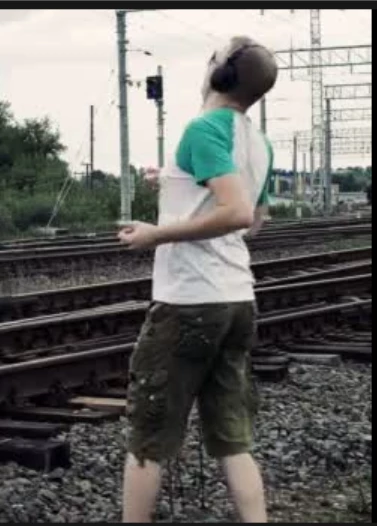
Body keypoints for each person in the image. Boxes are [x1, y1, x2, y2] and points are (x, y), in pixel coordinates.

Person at [117, 35, 278, 523]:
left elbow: (237, 212)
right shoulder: (257, 140)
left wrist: (158, 233)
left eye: (214, 56)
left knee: (149, 435)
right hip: (236, 300)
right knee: (233, 436)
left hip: (189, 301)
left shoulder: (203, 128)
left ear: (220, 72)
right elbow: (257, 220)